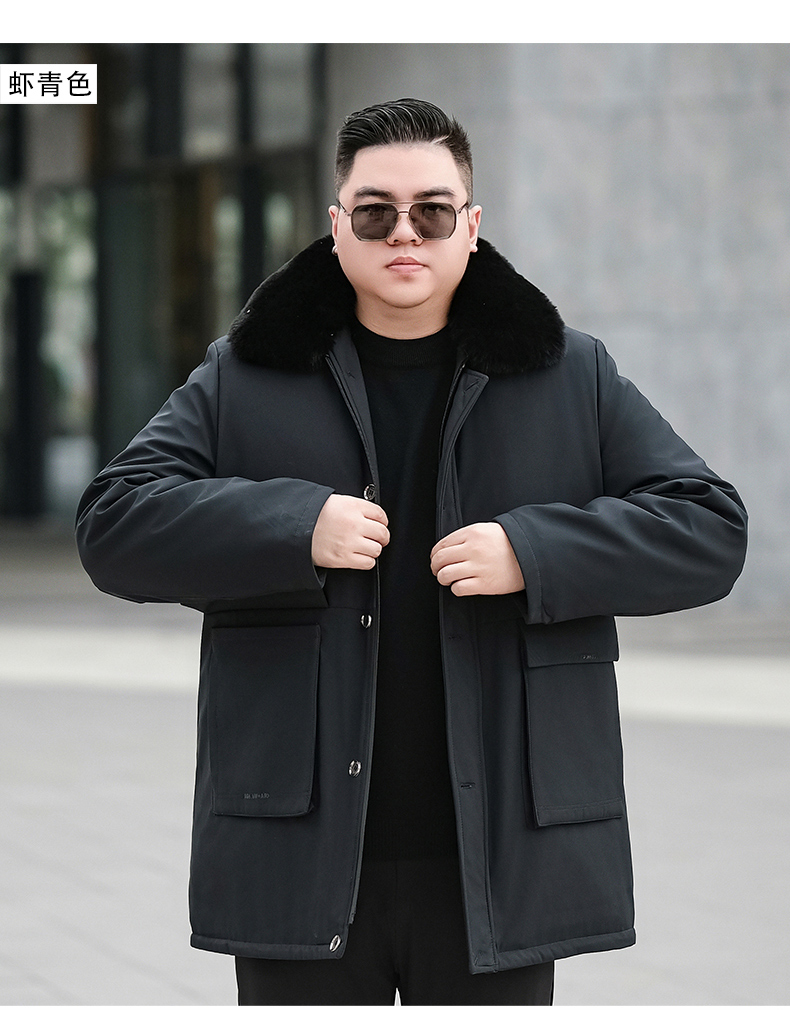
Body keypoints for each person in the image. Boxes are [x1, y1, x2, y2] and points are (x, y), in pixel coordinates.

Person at [75, 98, 747, 1006]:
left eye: (432, 211)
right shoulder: (246, 373)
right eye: (375, 212)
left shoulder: (568, 373)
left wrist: (534, 551)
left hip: (499, 861)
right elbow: (113, 522)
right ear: (337, 226)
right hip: (299, 854)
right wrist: (292, 527)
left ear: (470, 224)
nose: (404, 233)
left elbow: (709, 528)